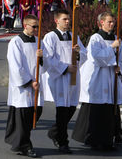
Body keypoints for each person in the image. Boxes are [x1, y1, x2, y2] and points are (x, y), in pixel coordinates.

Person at [72, 12, 122, 150]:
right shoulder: (95, 39)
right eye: (109, 21)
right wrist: (111, 48)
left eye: (113, 21)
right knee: (97, 109)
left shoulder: (116, 38)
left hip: (110, 77)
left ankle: (108, 139)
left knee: (109, 109)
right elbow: (95, 57)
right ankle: (94, 139)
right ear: (101, 23)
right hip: (98, 77)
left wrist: (119, 66)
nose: (112, 24)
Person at [42, 10, 87, 153]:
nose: (68, 21)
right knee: (62, 109)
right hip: (60, 77)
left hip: (74, 76)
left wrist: (79, 52)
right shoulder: (50, 37)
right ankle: (63, 141)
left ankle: (55, 131)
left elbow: (85, 54)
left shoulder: (73, 36)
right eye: (65, 19)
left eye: (69, 19)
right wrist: (65, 68)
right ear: (57, 21)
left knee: (72, 107)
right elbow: (48, 58)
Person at [5, 14, 46, 158]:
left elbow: (45, 64)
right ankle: (25, 146)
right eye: (33, 26)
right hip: (23, 88)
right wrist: (29, 82)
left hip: (36, 86)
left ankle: (20, 142)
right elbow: (15, 66)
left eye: (37, 26)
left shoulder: (38, 41)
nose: (36, 29)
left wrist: (42, 58)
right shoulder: (15, 42)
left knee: (35, 113)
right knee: (23, 117)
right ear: (25, 25)